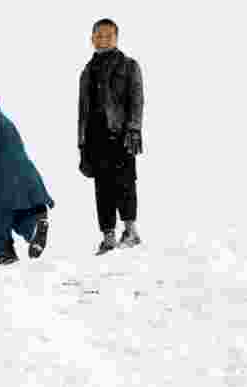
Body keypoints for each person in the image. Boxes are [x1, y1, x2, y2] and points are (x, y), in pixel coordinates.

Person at [0, 83, 54, 265]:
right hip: (25, 176)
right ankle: (34, 230)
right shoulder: (4, 120)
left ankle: (5, 252)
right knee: (18, 213)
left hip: (2, 178)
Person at [78, 18, 145, 255]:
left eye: (108, 35)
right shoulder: (87, 71)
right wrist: (81, 144)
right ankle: (108, 236)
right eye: (98, 35)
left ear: (116, 38)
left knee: (125, 182)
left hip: (121, 134)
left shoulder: (129, 65)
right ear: (92, 38)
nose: (103, 39)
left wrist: (134, 129)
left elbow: (137, 100)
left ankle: (131, 231)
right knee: (102, 187)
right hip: (95, 137)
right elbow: (82, 111)